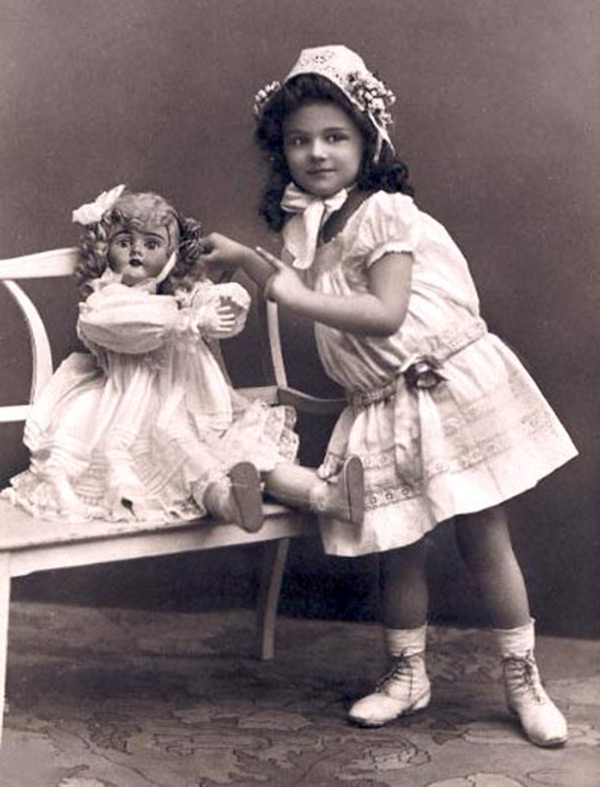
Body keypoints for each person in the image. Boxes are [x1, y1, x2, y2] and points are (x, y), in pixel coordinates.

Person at [200, 45, 578, 746]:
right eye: (299, 140)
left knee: (483, 532)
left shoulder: (386, 213)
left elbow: (386, 313)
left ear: (367, 141)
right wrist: (251, 262)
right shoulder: (303, 226)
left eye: (334, 136)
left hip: (444, 384)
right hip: (379, 401)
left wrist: (284, 288)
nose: (316, 153)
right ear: (281, 150)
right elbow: (293, 279)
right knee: (397, 545)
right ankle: (407, 675)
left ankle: (522, 677)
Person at [3, 185, 364, 533]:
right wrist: (186, 322)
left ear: (172, 255)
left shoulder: (181, 296)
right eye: (124, 242)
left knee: (254, 451)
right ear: (104, 250)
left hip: (200, 407)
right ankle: (232, 504)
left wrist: (217, 307)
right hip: (141, 414)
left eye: (151, 243)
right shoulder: (105, 300)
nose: (136, 252)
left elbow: (208, 304)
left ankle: (326, 495)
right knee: (187, 453)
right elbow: (122, 327)